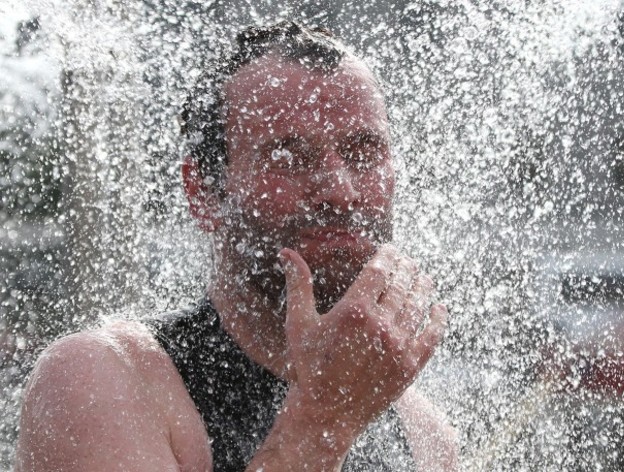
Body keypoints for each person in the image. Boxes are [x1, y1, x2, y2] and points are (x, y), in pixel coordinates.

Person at [15, 22, 458, 472]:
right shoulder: (104, 380)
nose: (341, 191)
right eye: (289, 157)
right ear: (203, 195)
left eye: (363, 152)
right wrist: (325, 418)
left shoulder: (422, 430)